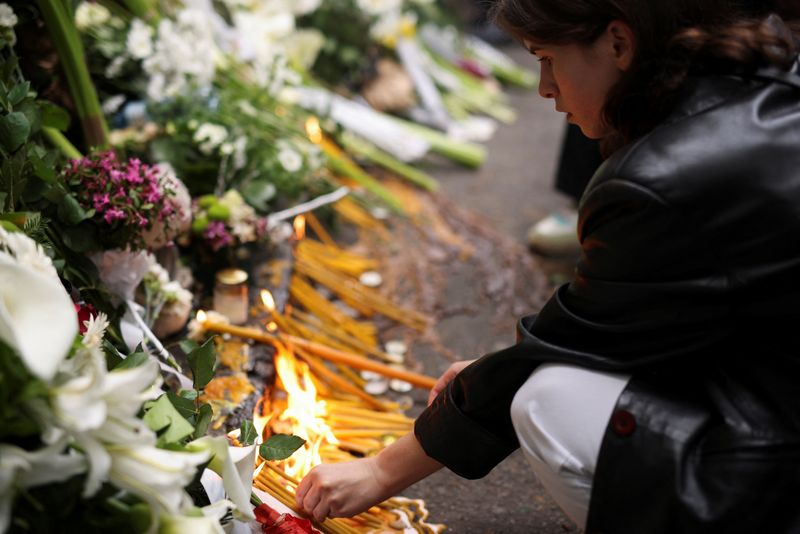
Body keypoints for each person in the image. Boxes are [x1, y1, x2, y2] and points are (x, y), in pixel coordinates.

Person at [295, 1, 800, 532]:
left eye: (547, 59)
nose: (544, 87)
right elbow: (622, 325)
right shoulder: (767, 75)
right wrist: (491, 374)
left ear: (618, 44)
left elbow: (571, 342)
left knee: (546, 400)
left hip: (778, 466)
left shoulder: (658, 180)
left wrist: (380, 470)